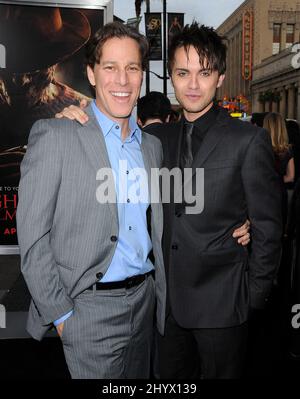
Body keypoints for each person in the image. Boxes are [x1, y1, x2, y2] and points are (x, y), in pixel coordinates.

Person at [55, 22, 259, 379]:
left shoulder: (248, 139)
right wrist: (75, 116)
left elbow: (271, 225)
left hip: (222, 309)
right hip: (163, 310)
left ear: (220, 78)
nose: (193, 84)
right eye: (183, 73)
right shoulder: (155, 140)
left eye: (204, 73)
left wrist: (250, 295)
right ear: (170, 78)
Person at [16, 21, 167, 379]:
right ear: (91, 74)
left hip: (144, 304)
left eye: (132, 68)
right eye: (110, 67)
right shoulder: (56, 135)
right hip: (88, 311)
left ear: (142, 76)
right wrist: (64, 316)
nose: (122, 79)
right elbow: (33, 240)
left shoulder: (153, 148)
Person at [263, 112, 295, 228]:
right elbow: (291, 177)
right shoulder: (287, 150)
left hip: (263, 196)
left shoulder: (260, 150)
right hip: (281, 194)